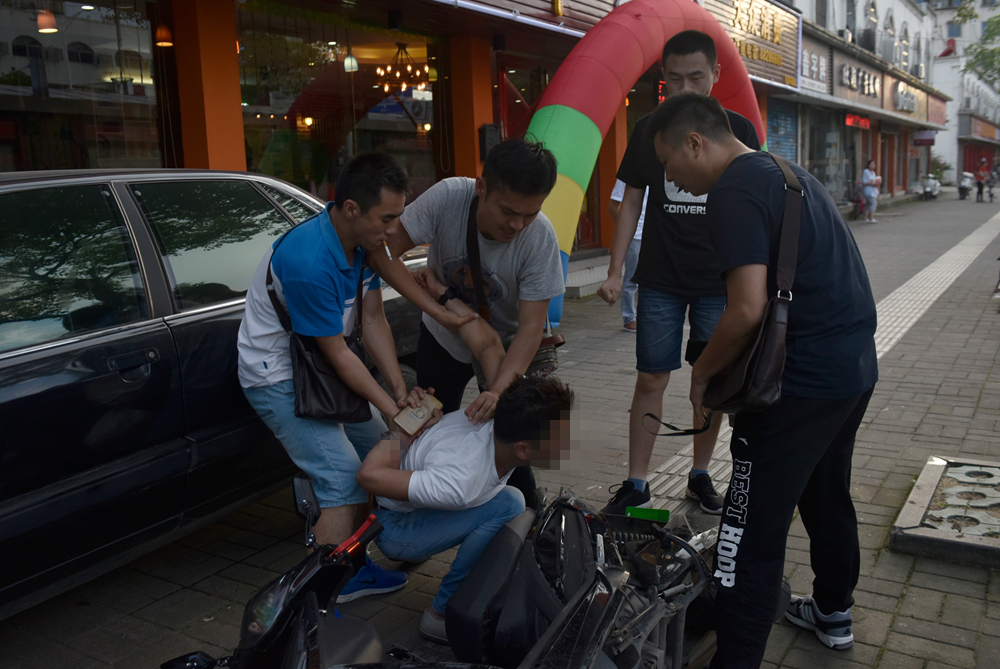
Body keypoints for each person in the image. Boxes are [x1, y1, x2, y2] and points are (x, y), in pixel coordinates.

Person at [646, 92, 878, 668]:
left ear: (695, 143)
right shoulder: (788, 173)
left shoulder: (734, 190)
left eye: (669, 164)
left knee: (746, 533)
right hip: (850, 370)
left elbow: (747, 308)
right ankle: (833, 613)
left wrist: (702, 373)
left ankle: (737, 658)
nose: (671, 180)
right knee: (826, 493)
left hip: (795, 386)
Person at [237, 153, 421, 602]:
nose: (394, 230)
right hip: (278, 375)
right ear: (352, 208)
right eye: (388, 218)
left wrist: (398, 391)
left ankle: (354, 564)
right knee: (344, 479)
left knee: (379, 454)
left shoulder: (362, 246)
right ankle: (317, 594)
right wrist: (391, 408)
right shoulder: (309, 261)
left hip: (317, 367)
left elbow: (372, 319)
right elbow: (337, 353)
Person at [596, 30, 760, 515]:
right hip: (661, 278)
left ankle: (700, 473)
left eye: (695, 77)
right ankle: (637, 482)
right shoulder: (650, 129)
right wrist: (614, 270)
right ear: (661, 79)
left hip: (718, 281)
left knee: (711, 383)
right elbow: (631, 202)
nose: (685, 88)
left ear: (716, 74)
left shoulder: (738, 131)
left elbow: (755, 205)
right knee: (651, 377)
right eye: (674, 79)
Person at [368, 138, 565, 509]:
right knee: (425, 422)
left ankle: (526, 515)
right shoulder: (448, 198)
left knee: (508, 437)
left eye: (530, 213)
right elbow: (382, 251)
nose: (517, 225)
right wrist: (436, 307)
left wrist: (500, 391)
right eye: (508, 211)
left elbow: (530, 328)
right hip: (442, 338)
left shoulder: (540, 237)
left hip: (505, 349)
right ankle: (413, 507)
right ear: (482, 186)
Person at [356, 375, 574, 643]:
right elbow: (368, 475)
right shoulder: (461, 481)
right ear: (522, 450)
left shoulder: (495, 415)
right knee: (508, 506)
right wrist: (401, 432)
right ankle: (441, 615)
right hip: (394, 528)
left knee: (511, 500)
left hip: (419, 495)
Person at [608, 179, 647, 332]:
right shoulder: (628, 176)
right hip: (635, 236)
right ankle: (629, 317)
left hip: (654, 235)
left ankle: (646, 316)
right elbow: (612, 206)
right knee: (632, 278)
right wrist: (626, 231)